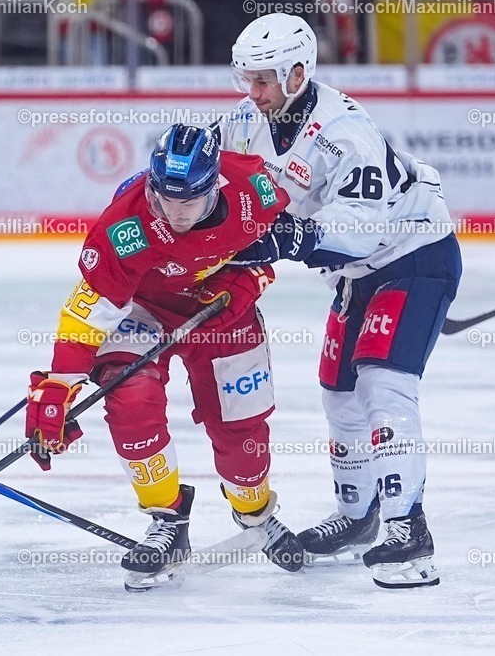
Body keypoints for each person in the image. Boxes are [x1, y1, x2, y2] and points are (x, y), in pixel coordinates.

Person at [214, 12, 462, 588]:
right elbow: (210, 171)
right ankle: (358, 516)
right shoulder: (247, 120)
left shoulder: (345, 130)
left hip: (412, 256)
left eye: (263, 80)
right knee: (338, 394)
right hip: (357, 275)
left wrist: (285, 239)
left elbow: (363, 228)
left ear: (298, 73)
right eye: (245, 79)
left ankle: (409, 531)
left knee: (382, 384)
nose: (252, 93)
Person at [24, 123, 306, 592]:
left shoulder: (253, 187)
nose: (173, 213)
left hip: (221, 314)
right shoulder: (126, 225)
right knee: (128, 393)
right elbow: (89, 308)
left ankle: (253, 508)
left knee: (242, 433)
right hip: (143, 309)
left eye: (187, 203)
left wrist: (248, 278)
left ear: (214, 187)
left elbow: (279, 241)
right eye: (163, 200)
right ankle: (168, 519)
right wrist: (58, 386)